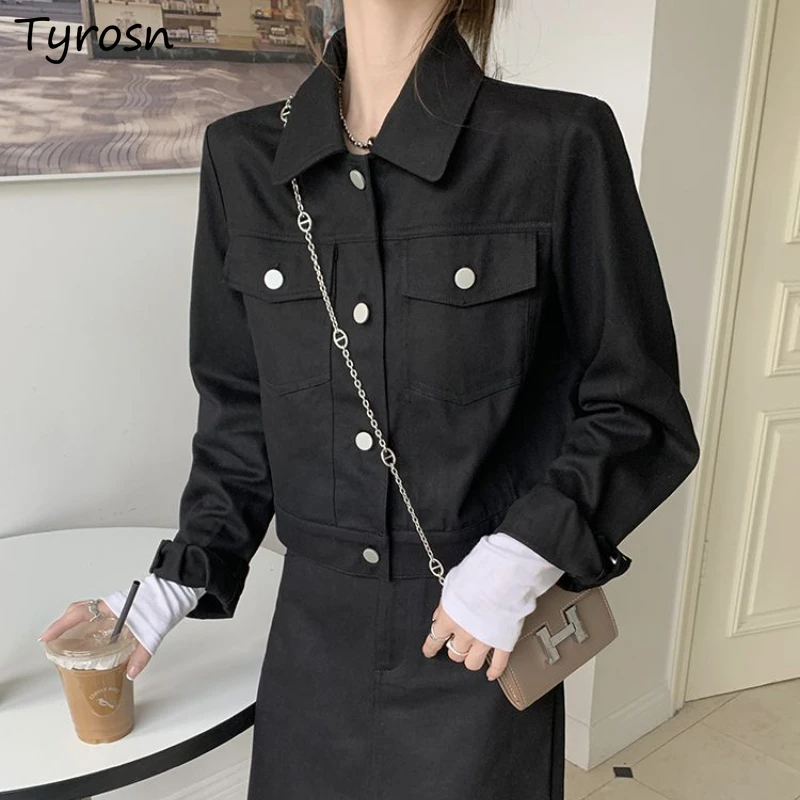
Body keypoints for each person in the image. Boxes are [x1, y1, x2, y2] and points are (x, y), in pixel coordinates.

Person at [38, 2, 701, 798]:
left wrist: (520, 558)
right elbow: (241, 418)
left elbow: (639, 409)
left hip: (475, 639)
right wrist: (167, 588)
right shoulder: (244, 158)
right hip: (312, 644)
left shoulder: (556, 145)